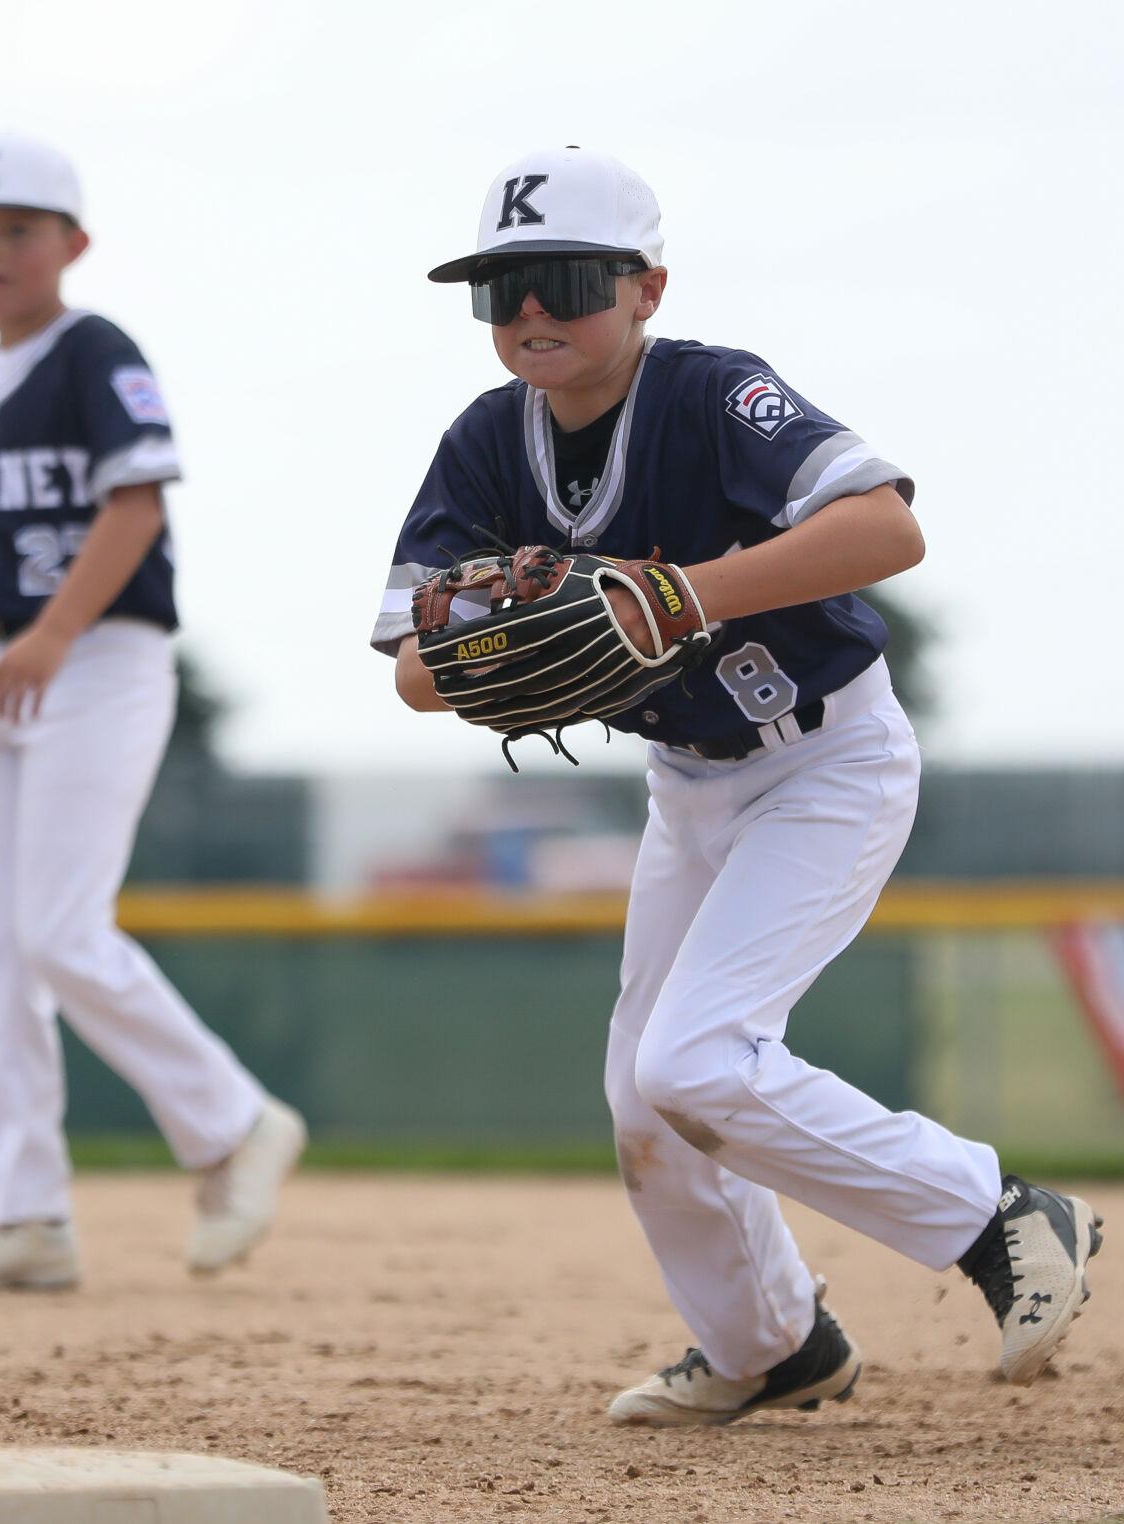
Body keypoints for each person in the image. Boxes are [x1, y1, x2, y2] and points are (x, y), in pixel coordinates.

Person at [374, 145, 1103, 1423]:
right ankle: (771, 1345)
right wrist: (509, 640)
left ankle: (993, 1213)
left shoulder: (712, 393)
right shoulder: (486, 443)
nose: (531, 310)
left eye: (565, 279)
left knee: (697, 1062)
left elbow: (886, 525)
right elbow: (413, 672)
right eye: (499, 289)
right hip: (688, 784)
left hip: (825, 760)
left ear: (646, 288)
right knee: (642, 1099)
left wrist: (680, 596)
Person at [0, 131, 305, 1292]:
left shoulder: (93, 350)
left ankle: (234, 1124)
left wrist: (54, 633)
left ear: (72, 242)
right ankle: (23, 1213)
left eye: (16, 229)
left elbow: (134, 506)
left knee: (59, 930)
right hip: (4, 668)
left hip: (96, 658)